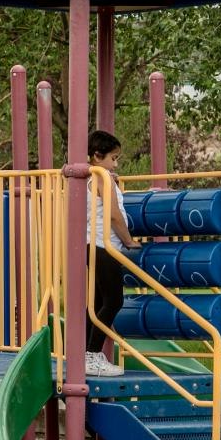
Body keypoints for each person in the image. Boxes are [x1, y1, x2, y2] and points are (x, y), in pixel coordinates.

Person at [83, 130, 136, 378]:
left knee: (96, 303)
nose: (115, 164)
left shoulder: (88, 177)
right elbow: (114, 215)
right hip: (106, 246)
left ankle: (85, 354)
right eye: (113, 158)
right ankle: (92, 354)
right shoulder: (102, 178)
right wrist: (129, 241)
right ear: (97, 155)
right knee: (114, 301)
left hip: (91, 245)